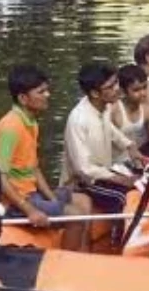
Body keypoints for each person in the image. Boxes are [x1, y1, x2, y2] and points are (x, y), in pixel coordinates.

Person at [0, 65, 92, 251]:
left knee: (83, 200)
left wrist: (52, 199)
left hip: (31, 194)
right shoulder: (10, 128)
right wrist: (29, 210)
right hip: (13, 203)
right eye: (41, 92)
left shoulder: (31, 121)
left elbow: (34, 168)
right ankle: (65, 264)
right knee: (76, 216)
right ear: (23, 98)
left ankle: (84, 256)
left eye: (46, 90)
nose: (48, 95)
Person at [61, 63, 142, 220]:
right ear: (95, 93)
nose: (117, 89)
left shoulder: (104, 107)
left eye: (116, 82)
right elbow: (83, 169)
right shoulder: (78, 120)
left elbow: (111, 130)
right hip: (84, 183)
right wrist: (118, 178)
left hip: (104, 172)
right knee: (122, 198)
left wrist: (129, 145)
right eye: (110, 87)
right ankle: (119, 239)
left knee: (143, 181)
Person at [111, 64, 149, 158]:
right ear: (123, 91)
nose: (143, 93)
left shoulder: (147, 110)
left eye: (144, 87)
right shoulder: (114, 110)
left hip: (137, 158)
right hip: (116, 162)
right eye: (136, 90)